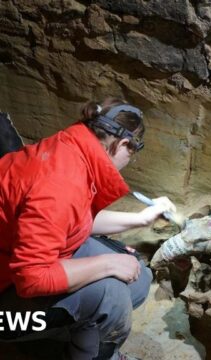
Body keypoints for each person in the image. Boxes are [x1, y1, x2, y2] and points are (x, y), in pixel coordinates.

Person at [0, 97, 176, 360]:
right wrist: (107, 264)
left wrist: (140, 218)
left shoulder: (70, 146)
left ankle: (65, 339)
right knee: (111, 296)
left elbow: (70, 219)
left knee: (138, 279)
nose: (130, 160)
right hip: (6, 317)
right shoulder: (60, 182)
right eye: (133, 153)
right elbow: (32, 278)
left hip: (12, 262)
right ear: (124, 144)